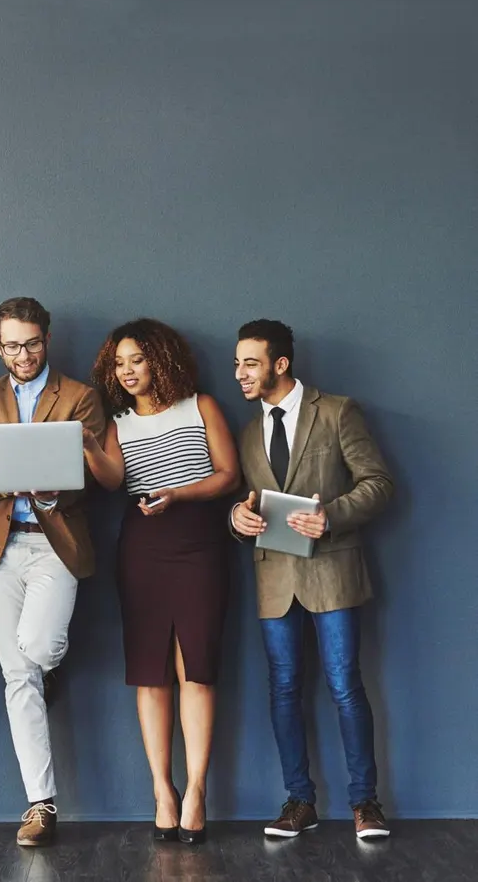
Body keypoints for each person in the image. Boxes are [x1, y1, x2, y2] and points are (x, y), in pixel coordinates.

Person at [230, 319, 393, 839]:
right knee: (283, 690)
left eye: (249, 363)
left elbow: (380, 484)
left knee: (346, 687)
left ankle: (365, 803)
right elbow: (248, 501)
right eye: (236, 363)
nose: (239, 373)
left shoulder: (338, 411)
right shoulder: (247, 430)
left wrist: (333, 516)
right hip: (275, 577)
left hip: (333, 571)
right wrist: (237, 519)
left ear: (281, 364)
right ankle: (299, 801)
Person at [85, 318, 239, 844]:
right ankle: (162, 791)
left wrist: (178, 495)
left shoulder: (201, 406)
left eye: (138, 360)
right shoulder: (119, 422)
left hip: (198, 541)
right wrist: (89, 445)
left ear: (162, 360)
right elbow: (112, 482)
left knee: (195, 665)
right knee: (150, 670)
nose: (128, 371)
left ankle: (197, 790)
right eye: (120, 362)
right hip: (142, 545)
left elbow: (228, 476)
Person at [0, 297, 106, 847]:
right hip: (0, 549)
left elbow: (90, 479)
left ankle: (50, 665)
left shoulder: (79, 396)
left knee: (38, 651)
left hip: (56, 544)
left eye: (32, 342)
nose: (23, 354)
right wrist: (10, 480)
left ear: (46, 340)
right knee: (17, 679)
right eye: (12, 345)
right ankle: (40, 805)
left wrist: (54, 487)